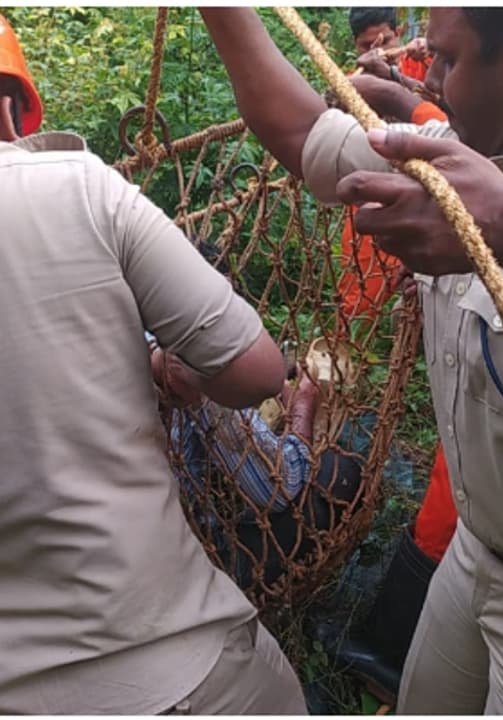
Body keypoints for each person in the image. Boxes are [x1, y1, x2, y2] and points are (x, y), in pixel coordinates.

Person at [200, 7, 503, 714]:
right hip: (472, 562)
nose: (426, 78)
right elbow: (298, 129)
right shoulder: (455, 152)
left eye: (447, 58)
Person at [0, 14, 306, 714]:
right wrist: (179, 373)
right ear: (16, 107)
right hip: (180, 664)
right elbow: (259, 374)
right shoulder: (76, 186)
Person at [341, 7, 448, 321]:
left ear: (398, 33)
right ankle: (355, 338)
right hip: (373, 190)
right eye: (365, 46)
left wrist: (395, 78)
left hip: (432, 187)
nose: (376, 51)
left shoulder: (423, 62)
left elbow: (445, 111)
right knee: (361, 278)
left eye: (384, 40)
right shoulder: (352, 83)